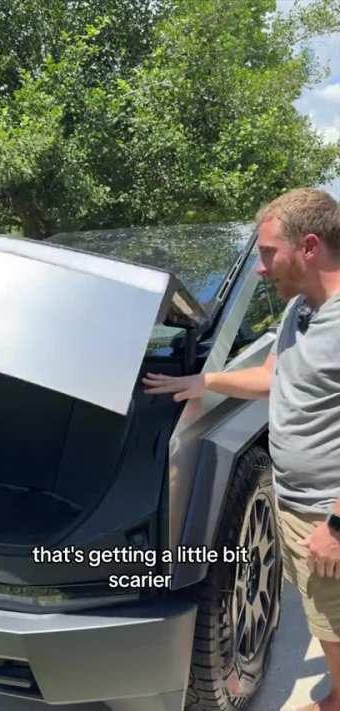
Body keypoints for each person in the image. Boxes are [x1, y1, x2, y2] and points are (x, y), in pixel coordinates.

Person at [142, 188, 340, 711]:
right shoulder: (301, 310)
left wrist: (337, 526)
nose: (259, 268)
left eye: (268, 253)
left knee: (334, 621)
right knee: (326, 619)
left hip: (328, 512)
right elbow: (275, 376)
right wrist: (203, 382)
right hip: (299, 505)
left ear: (310, 247)